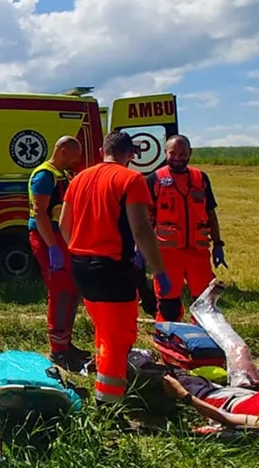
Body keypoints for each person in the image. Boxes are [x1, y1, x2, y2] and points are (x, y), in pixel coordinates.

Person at [59, 131, 170, 407]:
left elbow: (63, 226)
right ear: (130, 154)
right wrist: (159, 272)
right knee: (117, 338)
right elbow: (142, 230)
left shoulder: (79, 179)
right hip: (111, 269)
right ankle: (108, 404)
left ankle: (104, 379)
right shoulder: (131, 180)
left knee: (104, 330)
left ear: (101, 150)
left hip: (81, 266)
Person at [145, 134, 224, 322]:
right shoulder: (153, 179)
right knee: (168, 306)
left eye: (183, 154)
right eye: (174, 154)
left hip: (198, 253)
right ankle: (168, 347)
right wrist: (143, 249)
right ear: (165, 153)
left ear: (190, 153)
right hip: (167, 254)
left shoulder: (200, 178)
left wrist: (218, 244)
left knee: (205, 303)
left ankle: (203, 345)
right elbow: (145, 218)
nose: (178, 158)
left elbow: (210, 213)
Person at [27, 135, 90, 371]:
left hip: (62, 238)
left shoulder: (63, 174)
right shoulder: (45, 176)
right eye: (75, 154)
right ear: (63, 150)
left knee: (72, 289)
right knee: (60, 291)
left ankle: (66, 342)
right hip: (48, 238)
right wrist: (52, 246)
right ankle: (57, 349)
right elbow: (40, 212)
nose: (78, 159)